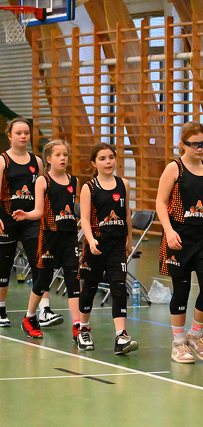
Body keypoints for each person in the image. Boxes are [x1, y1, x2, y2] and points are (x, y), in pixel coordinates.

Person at [156, 122, 203, 364]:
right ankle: (178, 343)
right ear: (182, 144)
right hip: (179, 237)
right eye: (195, 144)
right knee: (182, 289)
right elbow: (160, 202)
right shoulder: (174, 168)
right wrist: (169, 231)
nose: (200, 148)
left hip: (202, 238)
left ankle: (195, 335)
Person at [14, 139, 82, 341]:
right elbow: (39, 211)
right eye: (58, 155)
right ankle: (29, 317)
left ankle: (78, 326)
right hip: (49, 236)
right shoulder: (43, 181)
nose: (63, 158)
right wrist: (26, 215)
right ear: (49, 159)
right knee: (43, 279)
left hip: (70, 237)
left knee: (73, 280)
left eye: (65, 155)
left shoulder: (74, 181)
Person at [0, 118, 62, 328]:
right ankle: (1, 309)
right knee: (4, 266)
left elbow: (43, 191)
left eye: (26, 133)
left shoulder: (37, 161)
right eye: (18, 133)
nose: (23, 136)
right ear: (10, 136)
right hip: (7, 220)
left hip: (31, 220)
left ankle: (43, 309)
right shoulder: (3, 161)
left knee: (40, 262)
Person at [77, 143, 138, 354]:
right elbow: (85, 218)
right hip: (96, 245)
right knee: (90, 286)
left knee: (119, 287)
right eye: (102, 158)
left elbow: (127, 214)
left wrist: (129, 240)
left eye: (111, 157)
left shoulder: (124, 184)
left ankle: (121, 336)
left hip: (117, 245)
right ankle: (83, 330)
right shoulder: (89, 187)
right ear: (94, 163)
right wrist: (90, 239)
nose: (108, 162)